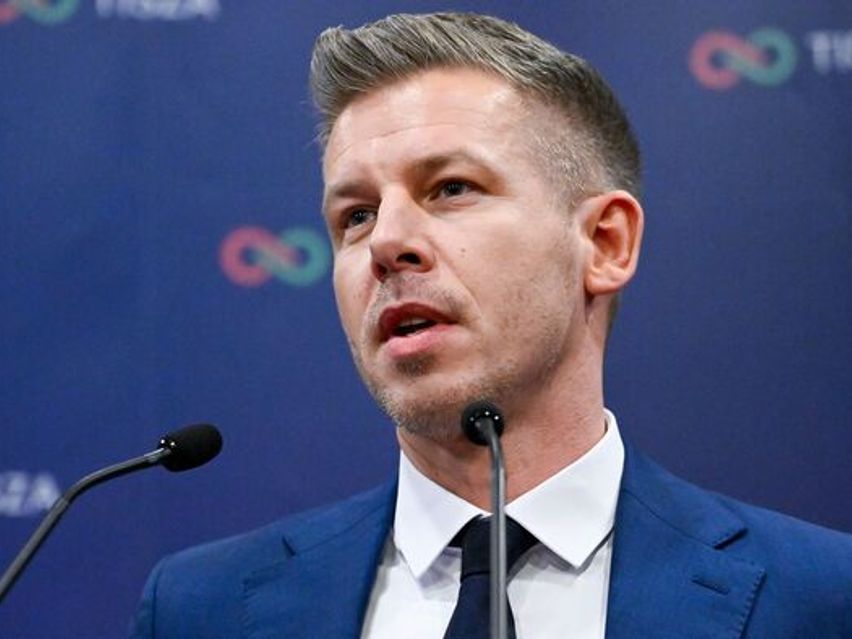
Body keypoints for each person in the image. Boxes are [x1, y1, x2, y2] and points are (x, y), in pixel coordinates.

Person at [131, 12, 852, 638]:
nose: (386, 241)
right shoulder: (201, 609)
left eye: (451, 188)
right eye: (356, 215)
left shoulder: (821, 598)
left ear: (604, 243)